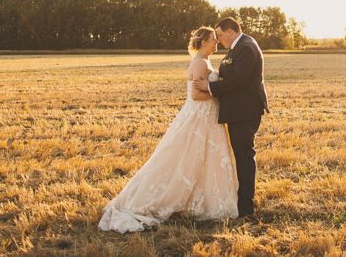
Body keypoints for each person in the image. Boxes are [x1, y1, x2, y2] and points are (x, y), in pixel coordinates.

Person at [98, 27, 238, 233]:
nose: (216, 42)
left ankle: (199, 200)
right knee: (185, 159)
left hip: (207, 119)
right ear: (203, 42)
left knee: (202, 159)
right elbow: (196, 96)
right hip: (199, 118)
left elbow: (204, 90)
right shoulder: (199, 63)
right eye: (213, 40)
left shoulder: (204, 61)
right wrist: (220, 95)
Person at [193, 17, 269, 218]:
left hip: (245, 111)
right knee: (241, 156)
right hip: (238, 111)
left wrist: (209, 87)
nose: (217, 39)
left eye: (218, 34)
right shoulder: (237, 48)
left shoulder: (246, 47)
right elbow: (230, 74)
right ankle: (241, 200)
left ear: (230, 31)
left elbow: (238, 80)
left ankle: (246, 206)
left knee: (244, 157)